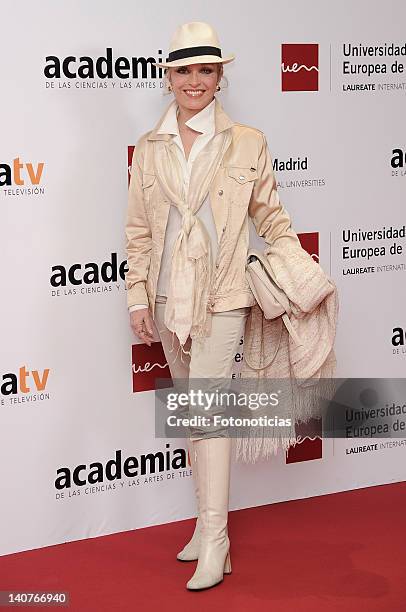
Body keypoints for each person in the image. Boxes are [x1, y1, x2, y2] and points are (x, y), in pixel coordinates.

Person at [125, 21, 302, 591]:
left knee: (207, 412)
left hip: (224, 294)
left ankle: (217, 536)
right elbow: (138, 232)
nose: (194, 81)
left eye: (206, 70)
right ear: (168, 77)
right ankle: (206, 534)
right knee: (194, 422)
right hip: (166, 295)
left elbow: (270, 216)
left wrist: (295, 263)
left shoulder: (247, 141)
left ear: (219, 77)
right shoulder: (151, 148)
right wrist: (136, 296)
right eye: (184, 71)